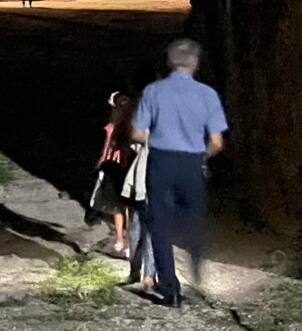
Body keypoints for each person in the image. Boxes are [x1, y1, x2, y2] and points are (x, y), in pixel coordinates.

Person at [131, 38, 227, 308]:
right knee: (194, 216)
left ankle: (170, 289)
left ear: (170, 62)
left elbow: (137, 133)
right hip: (191, 163)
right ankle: (196, 263)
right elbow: (217, 142)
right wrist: (203, 156)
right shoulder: (208, 95)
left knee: (159, 224)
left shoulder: (153, 91)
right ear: (195, 64)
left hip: (161, 161)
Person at [92, 92, 135, 254]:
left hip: (117, 164)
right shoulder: (130, 122)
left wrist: (102, 160)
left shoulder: (116, 124)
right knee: (126, 205)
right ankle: (126, 240)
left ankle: (120, 239)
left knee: (119, 205)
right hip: (125, 164)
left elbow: (108, 145)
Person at [122, 138, 156, 289]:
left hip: (148, 180)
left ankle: (145, 274)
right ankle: (143, 273)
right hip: (148, 178)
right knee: (140, 230)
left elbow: (135, 140)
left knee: (142, 230)